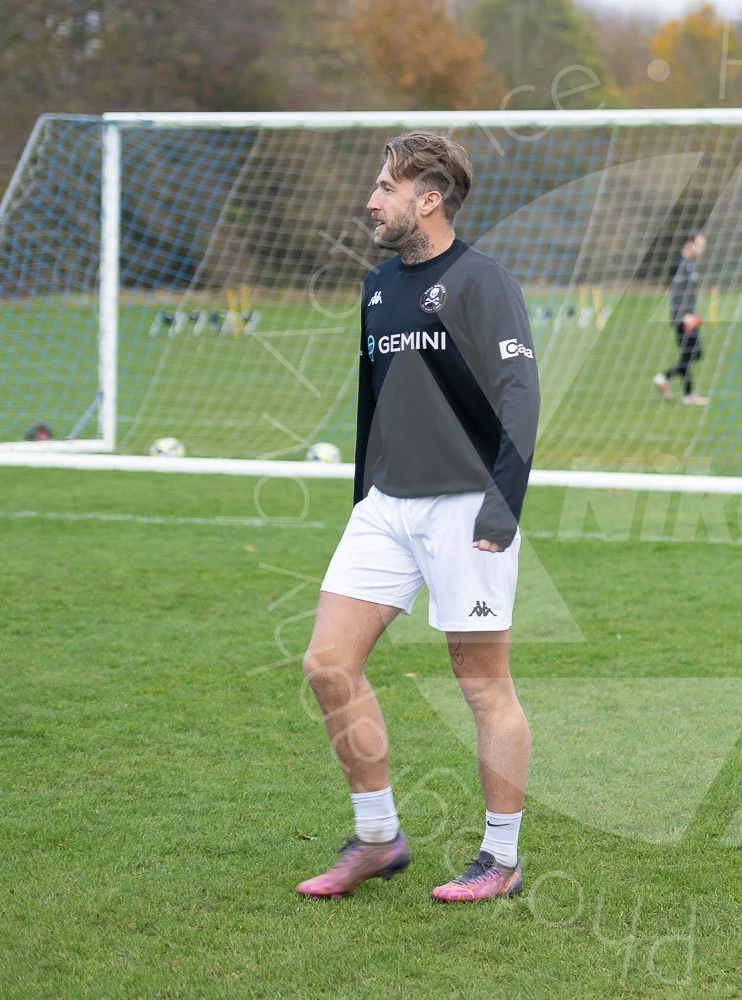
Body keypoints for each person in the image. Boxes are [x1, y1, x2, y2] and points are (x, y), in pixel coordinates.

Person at [294, 132, 540, 904]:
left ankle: (500, 858)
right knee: (327, 665)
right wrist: (362, 499)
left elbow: (520, 395)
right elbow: (372, 404)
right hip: (386, 507)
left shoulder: (481, 281)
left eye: (385, 188)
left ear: (428, 199)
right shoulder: (377, 287)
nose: (371, 201)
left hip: (467, 503)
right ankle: (378, 838)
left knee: (482, 685)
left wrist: (502, 501)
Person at [653, 232, 709, 406]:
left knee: (688, 355)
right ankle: (663, 378)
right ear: (689, 244)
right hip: (684, 319)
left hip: (690, 317)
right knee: (694, 353)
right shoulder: (679, 264)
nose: (702, 249)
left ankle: (688, 396)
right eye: (700, 245)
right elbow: (676, 294)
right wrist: (684, 316)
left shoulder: (689, 265)